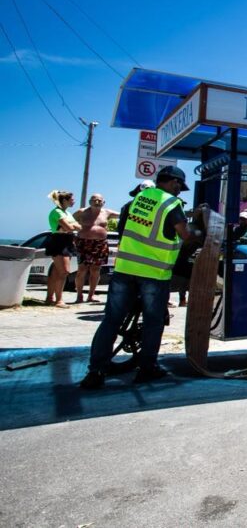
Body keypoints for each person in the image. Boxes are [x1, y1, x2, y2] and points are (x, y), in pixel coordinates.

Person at [80, 166, 195, 388]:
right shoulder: (171, 203)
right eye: (179, 185)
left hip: (125, 268)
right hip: (153, 272)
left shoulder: (139, 198)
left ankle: (96, 372)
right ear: (173, 182)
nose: (180, 190)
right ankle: (147, 369)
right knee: (153, 322)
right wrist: (199, 232)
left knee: (111, 321)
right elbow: (185, 234)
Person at [72, 193, 117, 304]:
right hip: (83, 243)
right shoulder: (81, 212)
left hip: (100, 244)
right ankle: (79, 295)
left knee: (96, 270)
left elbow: (125, 213)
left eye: (99, 200)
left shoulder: (107, 212)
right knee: (82, 269)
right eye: (94, 200)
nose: (97, 202)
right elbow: (69, 221)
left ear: (103, 202)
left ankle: (91, 295)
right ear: (89, 202)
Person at [45, 190, 80, 307]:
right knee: (64, 271)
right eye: (72, 199)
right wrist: (70, 227)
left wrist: (69, 227)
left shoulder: (67, 213)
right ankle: (59, 300)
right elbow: (70, 227)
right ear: (64, 200)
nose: (74, 201)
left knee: (56, 272)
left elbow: (78, 226)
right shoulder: (57, 212)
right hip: (58, 242)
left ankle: (50, 298)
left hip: (67, 241)